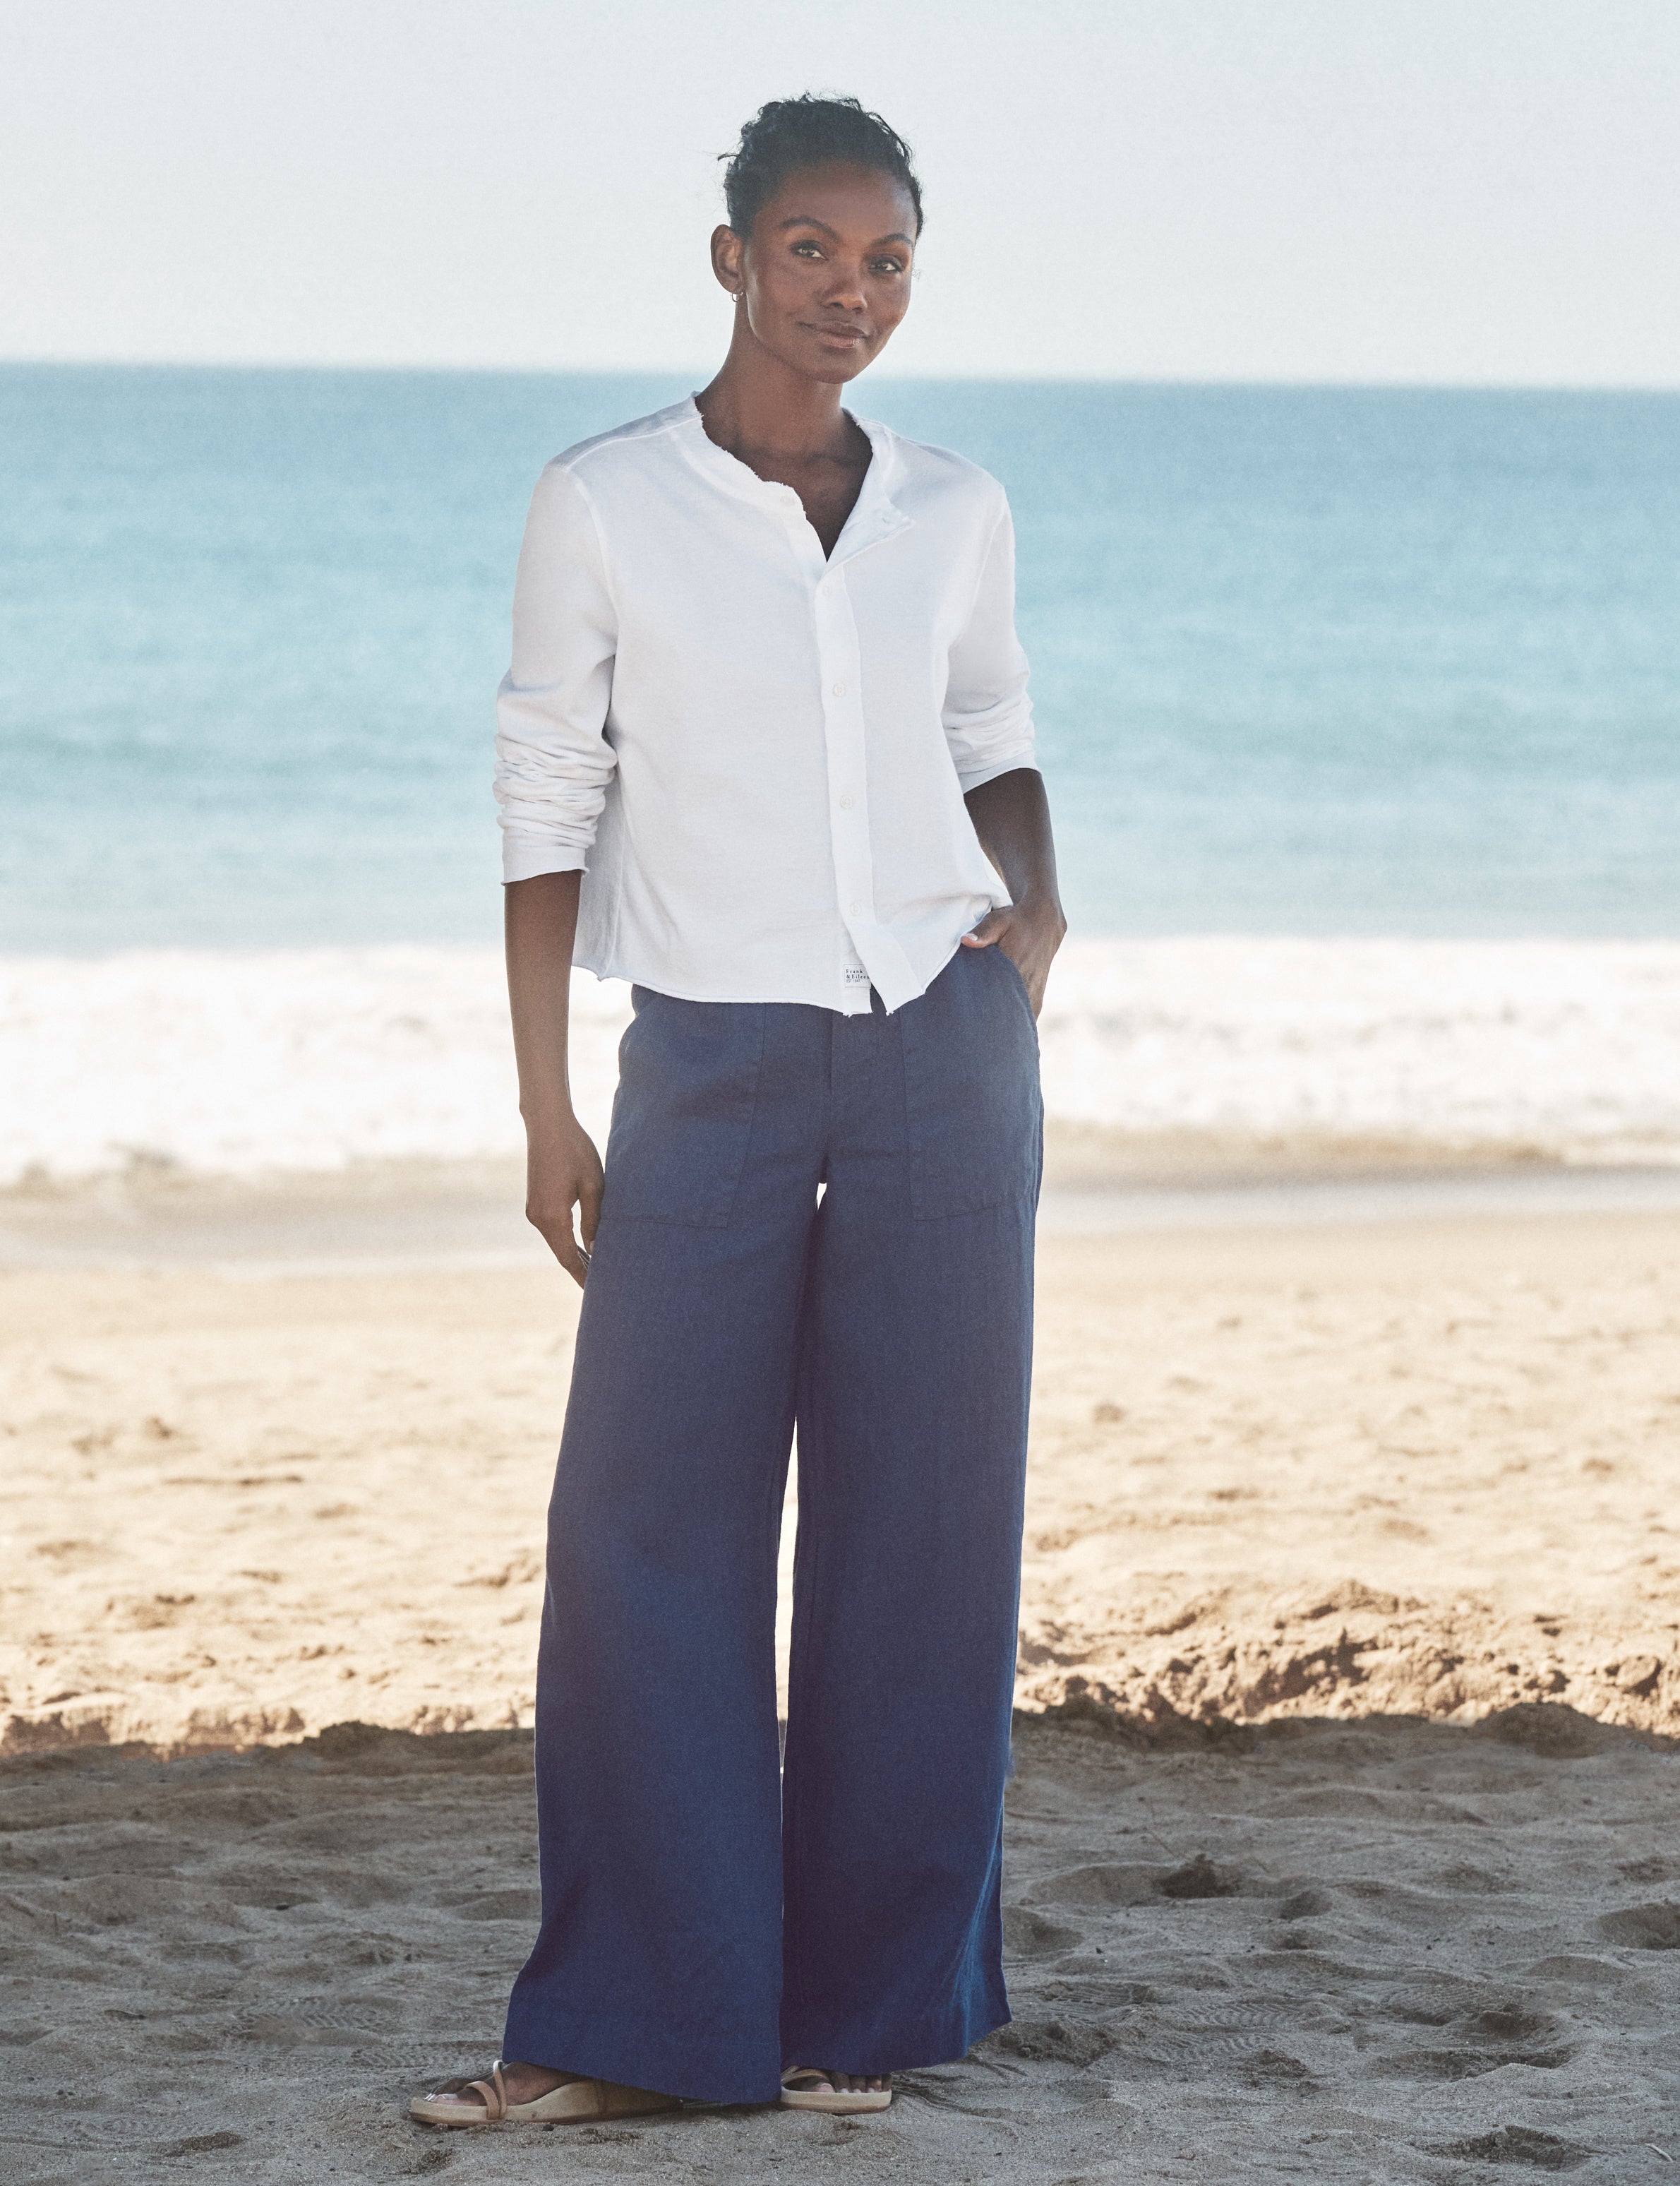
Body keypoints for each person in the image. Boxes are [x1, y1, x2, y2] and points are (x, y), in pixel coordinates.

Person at [411, 92, 1065, 2130]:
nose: (846, 294)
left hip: (943, 1058)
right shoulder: (603, 499)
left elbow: (991, 729)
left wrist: (1038, 915)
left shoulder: (953, 506)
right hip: (702, 1061)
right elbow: (545, 802)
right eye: (809, 251)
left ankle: (867, 2014)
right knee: (645, 1534)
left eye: (881, 261)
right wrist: (541, 1106)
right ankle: (629, 2025)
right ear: (729, 257)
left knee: (922, 1536)